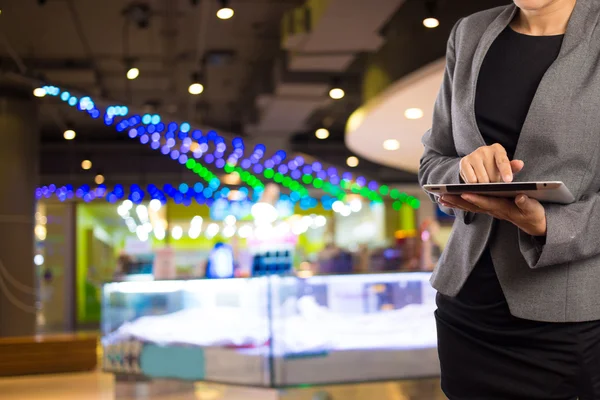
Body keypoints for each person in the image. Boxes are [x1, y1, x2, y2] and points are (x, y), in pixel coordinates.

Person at [418, 0, 600, 398]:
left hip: (571, 319)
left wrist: (551, 225)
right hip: (468, 308)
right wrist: (463, 170)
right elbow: (433, 161)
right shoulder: (470, 33)